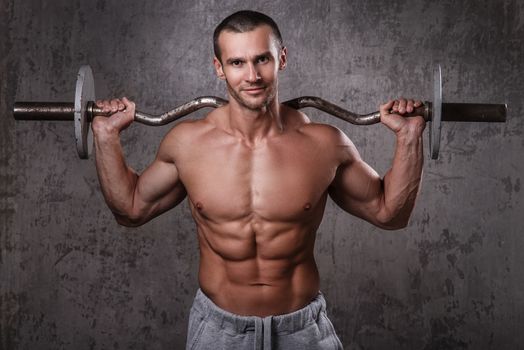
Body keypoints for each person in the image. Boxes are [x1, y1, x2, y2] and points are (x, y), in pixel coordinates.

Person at [92, 10, 425, 350]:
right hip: (220, 332)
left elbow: (390, 214)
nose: (252, 76)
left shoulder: (324, 144)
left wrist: (410, 137)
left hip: (301, 332)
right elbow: (131, 209)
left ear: (281, 58)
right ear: (219, 67)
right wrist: (105, 138)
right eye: (237, 63)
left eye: (261, 59)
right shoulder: (188, 144)